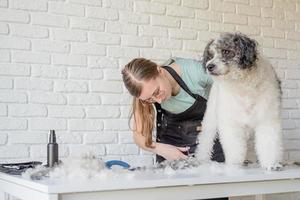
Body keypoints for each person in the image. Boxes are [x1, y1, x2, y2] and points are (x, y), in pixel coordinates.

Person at [121, 57, 225, 163]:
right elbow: (139, 137)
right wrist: (160, 149)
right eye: (150, 99)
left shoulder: (195, 71)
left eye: (157, 92)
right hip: (169, 142)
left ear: (160, 71)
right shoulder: (144, 91)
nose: (159, 101)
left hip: (207, 141)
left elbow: (236, 89)